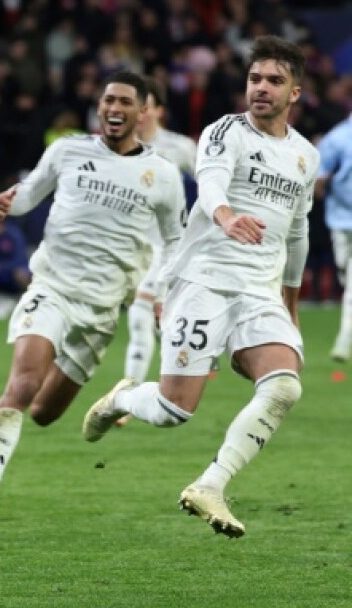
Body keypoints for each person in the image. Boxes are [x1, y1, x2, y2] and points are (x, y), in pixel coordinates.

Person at [83, 36, 318, 538]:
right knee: (174, 410)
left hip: (259, 290)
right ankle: (124, 397)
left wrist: (291, 303)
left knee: (284, 386)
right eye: (255, 78)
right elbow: (209, 182)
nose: (261, 88)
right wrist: (226, 215)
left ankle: (210, 485)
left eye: (274, 81)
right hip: (202, 280)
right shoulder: (225, 131)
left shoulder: (305, 155)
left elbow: (297, 232)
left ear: (294, 93)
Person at [0, 72, 186, 524]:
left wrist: (166, 294)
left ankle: (119, 400)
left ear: (143, 111)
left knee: (44, 413)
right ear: (99, 106)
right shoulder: (68, 150)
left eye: (125, 101)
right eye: (108, 100)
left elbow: (176, 242)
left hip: (102, 309)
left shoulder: (163, 175)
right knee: (22, 385)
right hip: (52, 289)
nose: (114, 108)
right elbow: (28, 194)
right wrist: (7, 201)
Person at [122, 79, 198, 384]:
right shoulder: (117, 148)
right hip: (129, 246)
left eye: (145, 107)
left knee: (140, 314)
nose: (139, 114)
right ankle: (189, 355)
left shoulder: (179, 147)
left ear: (158, 111)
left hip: (165, 246)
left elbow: (212, 186)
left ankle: (128, 390)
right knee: (156, 318)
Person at [316, 107, 352, 361]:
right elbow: (317, 177)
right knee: (344, 275)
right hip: (340, 221)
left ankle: (343, 341)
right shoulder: (337, 138)